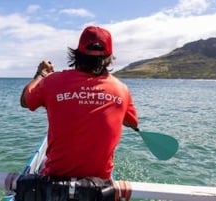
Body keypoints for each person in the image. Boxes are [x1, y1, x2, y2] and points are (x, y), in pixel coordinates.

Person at [20, 25, 138, 179]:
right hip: (100, 186)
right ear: (108, 57)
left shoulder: (52, 82)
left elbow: (25, 101)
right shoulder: (122, 89)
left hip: (55, 181)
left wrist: (41, 74)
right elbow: (132, 123)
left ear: (77, 53)